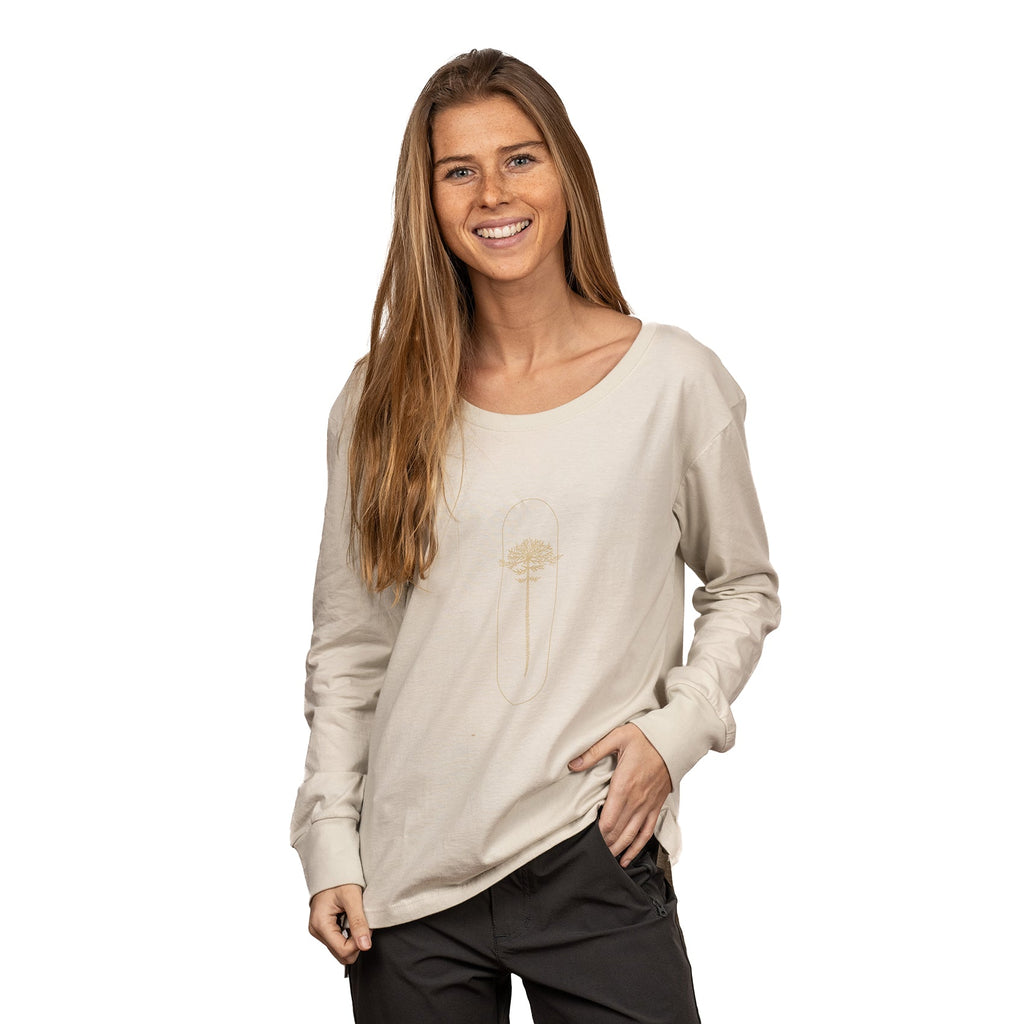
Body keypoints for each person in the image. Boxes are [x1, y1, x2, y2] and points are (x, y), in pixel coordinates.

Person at [290, 48, 780, 1024]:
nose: (492, 194)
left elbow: (742, 586)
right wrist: (328, 841)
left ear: (566, 172)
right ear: (427, 200)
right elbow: (350, 647)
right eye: (458, 170)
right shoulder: (383, 398)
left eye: (519, 158)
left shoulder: (672, 382)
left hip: (595, 846)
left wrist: (675, 732)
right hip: (410, 881)